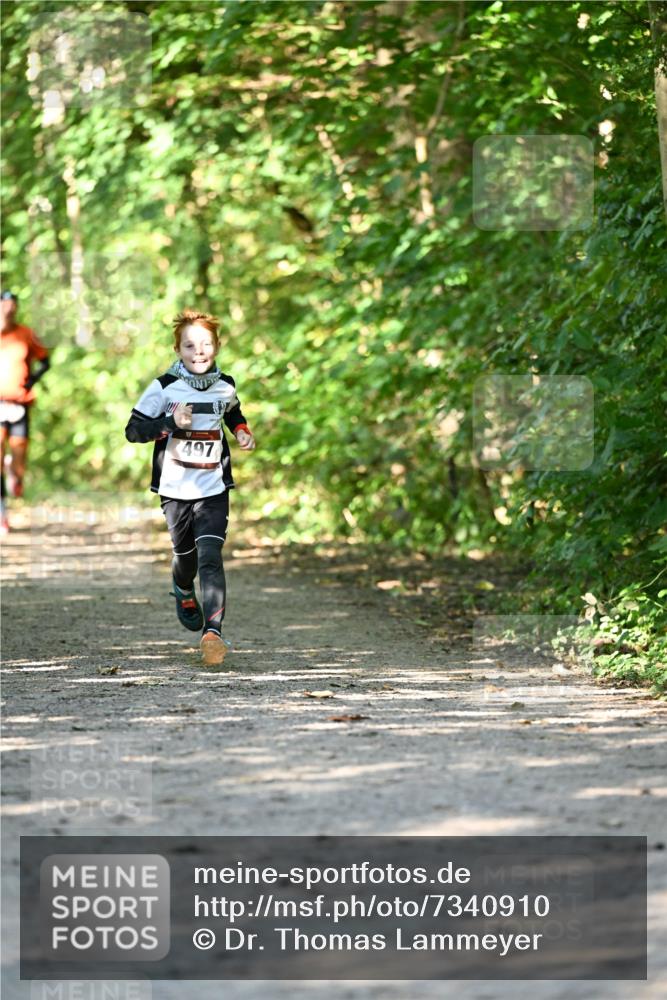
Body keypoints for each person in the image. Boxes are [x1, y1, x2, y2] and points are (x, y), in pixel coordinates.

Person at [125, 308, 255, 665]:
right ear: (178, 349)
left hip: (213, 486)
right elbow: (133, 431)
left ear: (216, 346)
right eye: (189, 345)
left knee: (211, 557)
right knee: (187, 558)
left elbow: (232, 412)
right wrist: (169, 422)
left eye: (205, 344)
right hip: (175, 488)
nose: (198, 352)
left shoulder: (226, 383)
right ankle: (183, 589)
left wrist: (241, 431)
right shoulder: (164, 387)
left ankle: (213, 634)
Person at [0, 290, 50, 534]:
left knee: (19, 463)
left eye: (12, 306)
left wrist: (31, 382)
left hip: (19, 404)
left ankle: (15, 473)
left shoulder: (26, 334)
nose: (8, 310)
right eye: (4, 305)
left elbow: (45, 361)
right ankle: (2, 515)